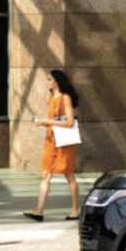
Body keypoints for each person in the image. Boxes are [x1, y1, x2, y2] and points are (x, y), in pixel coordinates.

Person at [26, 68, 83, 221]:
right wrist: (42, 123)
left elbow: (69, 122)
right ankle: (38, 211)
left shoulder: (65, 98)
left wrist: (47, 121)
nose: (47, 82)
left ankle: (75, 210)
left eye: (49, 79)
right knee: (45, 174)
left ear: (57, 81)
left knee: (69, 174)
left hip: (64, 142)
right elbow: (55, 121)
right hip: (51, 140)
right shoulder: (51, 97)